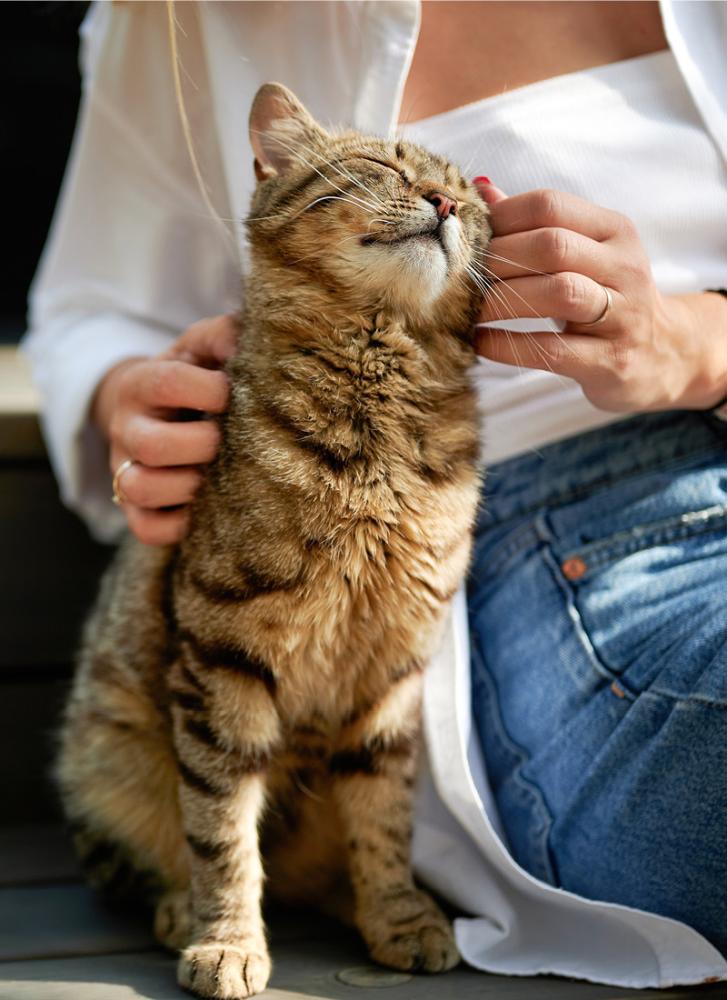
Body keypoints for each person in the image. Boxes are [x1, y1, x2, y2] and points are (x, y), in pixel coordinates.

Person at [23, 0, 727, 988]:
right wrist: (123, 399)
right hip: (567, 541)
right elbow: (88, 309)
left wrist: (700, 340)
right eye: (392, 177)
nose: (438, 205)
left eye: (454, 197)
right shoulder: (171, 21)